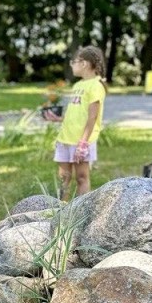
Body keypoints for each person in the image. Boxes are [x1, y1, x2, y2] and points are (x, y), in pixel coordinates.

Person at [42, 45, 106, 200]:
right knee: (63, 178)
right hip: (66, 139)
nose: (72, 65)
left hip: (81, 141)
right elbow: (76, 114)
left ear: (83, 63)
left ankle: (80, 210)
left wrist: (82, 143)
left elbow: (92, 117)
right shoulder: (78, 86)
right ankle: (62, 211)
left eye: (74, 62)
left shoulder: (96, 86)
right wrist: (58, 119)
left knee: (81, 178)